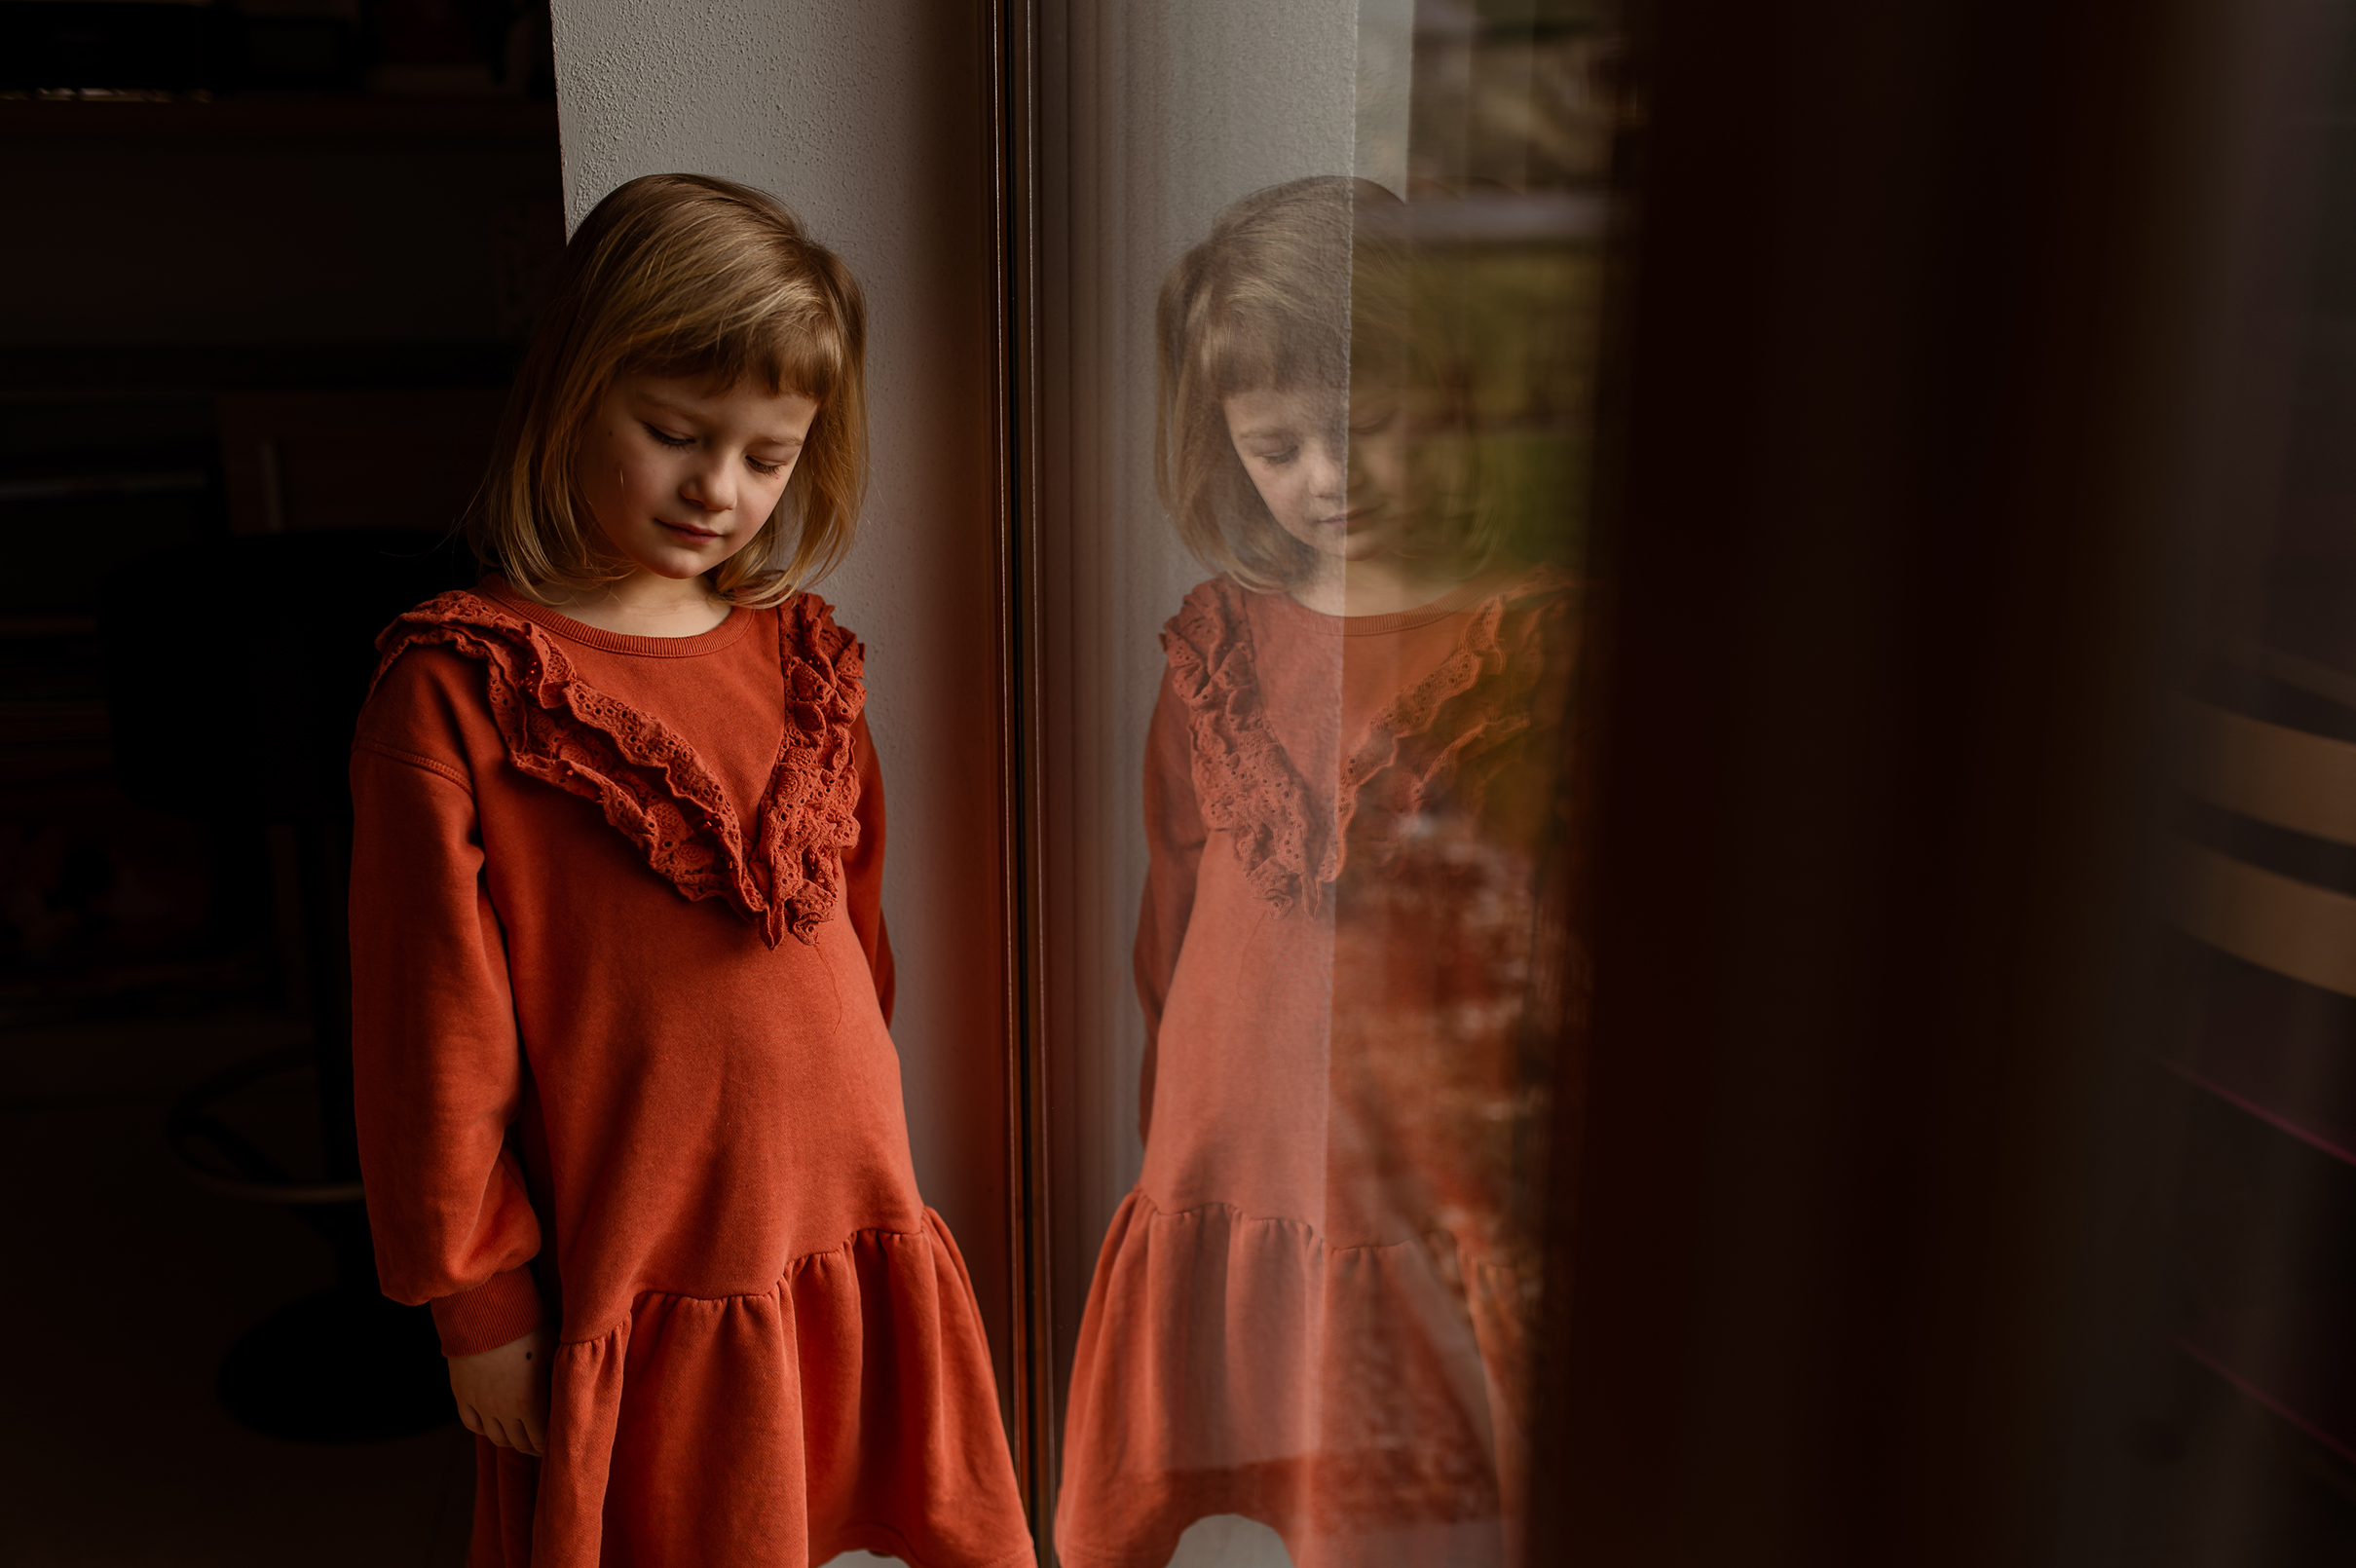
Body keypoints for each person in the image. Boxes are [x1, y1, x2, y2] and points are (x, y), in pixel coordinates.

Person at [349, 172, 1033, 1568]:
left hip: (840, 1212)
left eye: (767, 456)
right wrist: (480, 1303)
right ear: (573, 392)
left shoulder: (803, 659)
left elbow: (857, 940)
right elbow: (431, 1041)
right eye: (674, 434)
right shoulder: (459, 689)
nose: (719, 489)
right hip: (653, 1249)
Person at [1055, 177, 1581, 1568]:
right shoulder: (1220, 650)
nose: (1326, 479)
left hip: (1437, 1185)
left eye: (1365, 427)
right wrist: (1171, 1131)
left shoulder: (1533, 643)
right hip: (1238, 1159)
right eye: (1276, 446)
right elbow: (1173, 911)